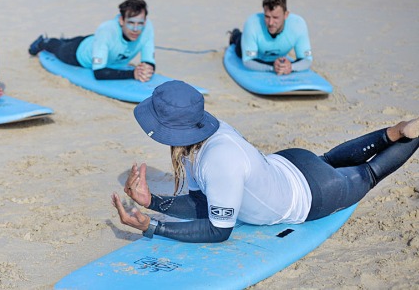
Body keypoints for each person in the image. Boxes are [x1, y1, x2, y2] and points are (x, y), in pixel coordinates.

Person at [111, 80, 419, 243]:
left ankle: (413, 134)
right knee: (326, 159)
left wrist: (153, 227)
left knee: (369, 173)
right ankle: (394, 132)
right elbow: (201, 202)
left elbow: (219, 231)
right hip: (294, 162)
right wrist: (152, 201)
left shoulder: (218, 161)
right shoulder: (204, 131)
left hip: (313, 195)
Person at [28, 0, 155, 82]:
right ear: (121, 20)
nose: (136, 29)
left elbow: (149, 60)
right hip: (78, 54)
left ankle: (64, 40)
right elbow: (98, 72)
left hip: (95, 42)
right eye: (131, 23)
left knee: (75, 40)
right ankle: (42, 42)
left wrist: (147, 69)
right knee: (58, 46)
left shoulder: (147, 27)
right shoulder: (106, 30)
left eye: (140, 23)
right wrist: (133, 74)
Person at [229, 0, 312, 75]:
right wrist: (273, 67)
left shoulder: (298, 25)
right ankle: (235, 34)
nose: (271, 23)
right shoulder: (252, 23)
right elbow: (247, 61)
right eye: (267, 17)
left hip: (275, 54)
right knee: (239, 43)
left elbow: (307, 60)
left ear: (286, 15)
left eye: (275, 17)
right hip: (255, 53)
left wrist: (291, 67)